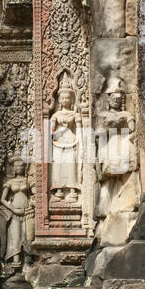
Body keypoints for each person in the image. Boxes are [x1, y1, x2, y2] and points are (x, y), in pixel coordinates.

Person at [50, 75, 82, 203]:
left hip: (71, 140)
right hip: (58, 141)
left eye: (67, 97)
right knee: (58, 164)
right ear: (58, 99)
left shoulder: (75, 114)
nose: (64, 99)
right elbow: (50, 130)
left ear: (71, 99)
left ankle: (73, 190)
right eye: (62, 97)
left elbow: (79, 129)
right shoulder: (56, 114)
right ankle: (59, 190)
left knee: (71, 163)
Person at [0, 156, 33, 269]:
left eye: (21, 165)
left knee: (27, 236)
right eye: (16, 165)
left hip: (27, 211)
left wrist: (32, 204)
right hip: (14, 212)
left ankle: (28, 262)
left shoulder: (28, 180)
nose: (19, 167)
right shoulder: (10, 182)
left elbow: (35, 194)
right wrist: (12, 208)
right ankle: (16, 260)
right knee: (15, 236)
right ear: (13, 168)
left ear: (25, 167)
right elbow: (2, 199)